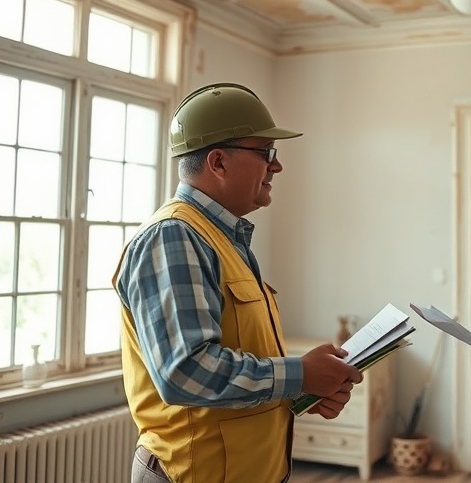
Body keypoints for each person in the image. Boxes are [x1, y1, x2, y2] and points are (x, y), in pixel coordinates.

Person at [113, 83, 362, 483]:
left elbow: (235, 358)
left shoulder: (223, 239)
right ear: (218, 162)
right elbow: (185, 372)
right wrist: (299, 374)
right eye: (266, 153)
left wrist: (302, 389)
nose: (276, 166)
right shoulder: (174, 237)